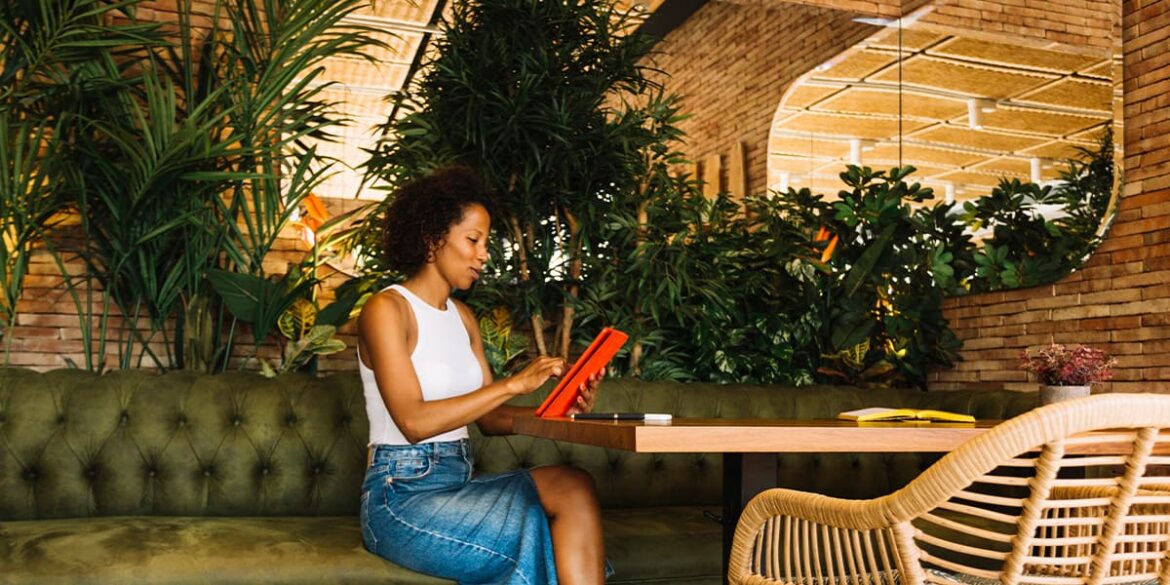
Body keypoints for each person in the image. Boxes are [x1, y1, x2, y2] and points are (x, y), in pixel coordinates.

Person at [357, 165, 609, 585]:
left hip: (458, 483)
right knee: (532, 524)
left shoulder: (464, 318)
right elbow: (414, 422)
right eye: (473, 240)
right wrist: (511, 383)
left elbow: (490, 421)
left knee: (573, 485)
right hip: (400, 496)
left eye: (486, 243)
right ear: (433, 239)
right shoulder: (387, 309)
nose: (483, 254)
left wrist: (560, 406)